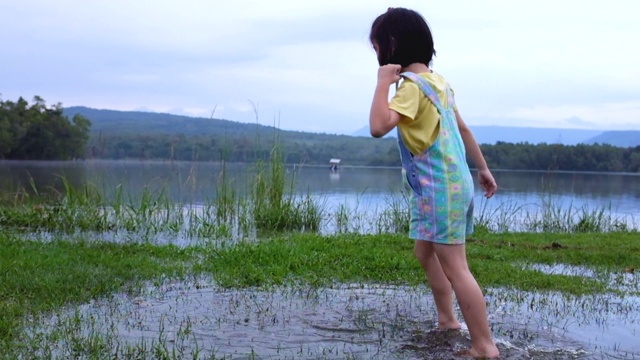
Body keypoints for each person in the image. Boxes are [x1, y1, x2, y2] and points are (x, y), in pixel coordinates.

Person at [368, 7, 500, 359]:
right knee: (424, 251)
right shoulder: (439, 82)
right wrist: (483, 169)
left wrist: (383, 84)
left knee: (455, 265)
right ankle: (447, 320)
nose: (376, 56)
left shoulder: (410, 89)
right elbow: (464, 129)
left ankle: (485, 347)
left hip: (440, 188)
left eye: (376, 48)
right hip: (448, 185)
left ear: (392, 46)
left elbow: (379, 126)